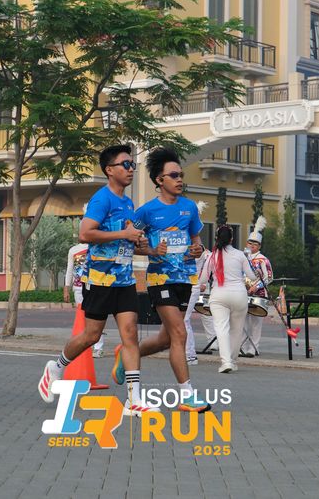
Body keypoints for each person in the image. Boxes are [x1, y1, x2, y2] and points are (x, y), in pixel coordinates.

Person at [38, 144, 158, 416]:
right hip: (100, 280)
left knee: (130, 334)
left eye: (132, 164)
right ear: (109, 170)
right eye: (125, 164)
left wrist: (145, 247)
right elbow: (85, 234)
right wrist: (124, 235)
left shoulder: (128, 203)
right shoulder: (102, 199)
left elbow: (125, 242)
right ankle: (56, 367)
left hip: (124, 280)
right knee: (91, 336)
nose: (131, 169)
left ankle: (133, 400)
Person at [118, 147, 209, 413]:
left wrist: (199, 249)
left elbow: (197, 240)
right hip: (160, 279)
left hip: (185, 278)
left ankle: (126, 355)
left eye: (181, 175)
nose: (180, 180)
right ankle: (187, 395)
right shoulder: (147, 211)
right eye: (174, 175)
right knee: (180, 333)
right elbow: (128, 243)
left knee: (166, 339)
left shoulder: (189, 207)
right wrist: (150, 250)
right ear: (159, 180)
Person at [198, 225, 256, 373]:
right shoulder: (240, 255)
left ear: (217, 238)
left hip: (219, 295)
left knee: (221, 328)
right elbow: (252, 276)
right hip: (239, 294)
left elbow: (203, 279)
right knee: (236, 330)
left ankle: (226, 362)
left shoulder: (212, 256)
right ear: (232, 239)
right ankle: (233, 361)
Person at [63, 241, 105, 357]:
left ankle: (98, 348)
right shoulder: (73, 250)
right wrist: (66, 288)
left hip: (95, 286)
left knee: (96, 315)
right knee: (82, 317)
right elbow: (69, 270)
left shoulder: (97, 246)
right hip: (78, 288)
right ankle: (85, 346)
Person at [243, 216, 273, 357]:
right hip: (243, 293)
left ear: (259, 246)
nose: (251, 246)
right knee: (243, 322)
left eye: (255, 244)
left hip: (258, 295)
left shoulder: (263, 260)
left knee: (255, 323)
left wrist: (257, 287)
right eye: (250, 243)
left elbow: (269, 277)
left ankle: (253, 348)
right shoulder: (243, 258)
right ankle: (243, 347)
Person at [184, 246, 217, 362]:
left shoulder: (203, 251)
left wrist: (205, 282)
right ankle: (181, 348)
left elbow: (211, 266)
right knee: (180, 318)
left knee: (202, 315)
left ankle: (190, 352)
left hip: (196, 285)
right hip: (183, 284)